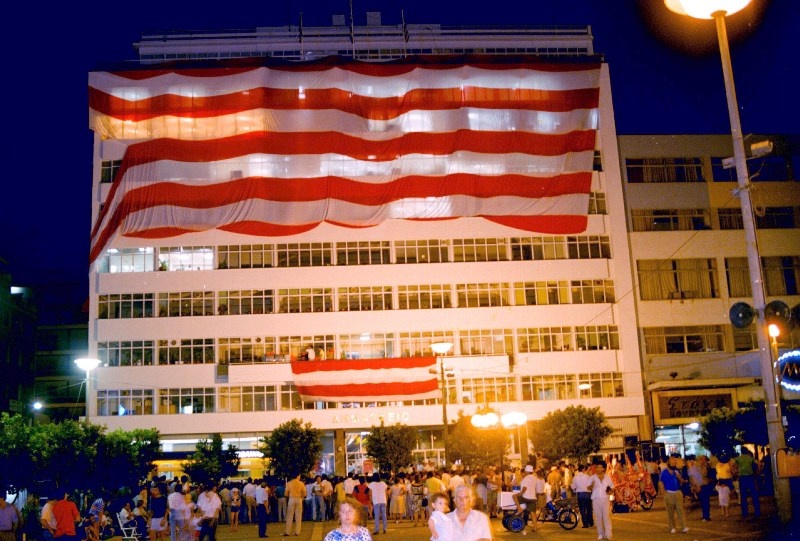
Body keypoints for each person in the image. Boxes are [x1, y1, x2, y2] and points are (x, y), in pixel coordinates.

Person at [659, 453, 688, 534]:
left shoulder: (676, 471)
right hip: (669, 493)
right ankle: (672, 527)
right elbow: (661, 483)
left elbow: (681, 480)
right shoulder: (664, 472)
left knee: (680, 511)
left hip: (677, 493)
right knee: (670, 512)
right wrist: (663, 493)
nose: (674, 464)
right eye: (672, 463)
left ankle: (683, 527)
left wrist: (683, 480)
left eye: (674, 463)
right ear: (668, 462)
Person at [588, 462, 614, 541]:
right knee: (598, 517)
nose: (598, 469)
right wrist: (592, 485)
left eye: (600, 467)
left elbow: (612, 487)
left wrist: (610, 492)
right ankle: (600, 534)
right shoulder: (593, 477)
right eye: (597, 467)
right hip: (596, 499)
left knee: (606, 516)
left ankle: (608, 534)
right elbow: (589, 488)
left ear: (603, 468)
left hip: (605, 498)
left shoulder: (607, 477)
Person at [733, 447, 760, 518]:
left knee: (743, 496)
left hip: (742, 478)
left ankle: (745, 513)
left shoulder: (738, 458)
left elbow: (732, 463)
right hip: (750, 477)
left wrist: (735, 470)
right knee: (754, 494)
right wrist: (757, 470)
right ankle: (757, 512)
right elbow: (757, 463)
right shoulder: (750, 458)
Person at [571, 464, 594, 529]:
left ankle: (585, 524)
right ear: (583, 469)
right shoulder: (587, 477)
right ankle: (591, 522)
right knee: (589, 509)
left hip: (580, 494)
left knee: (582, 510)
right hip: (587, 494)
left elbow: (573, 487)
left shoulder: (575, 477)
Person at [284, 472, 306, 536]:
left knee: (289, 516)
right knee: (298, 516)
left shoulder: (289, 483)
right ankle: (297, 532)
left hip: (291, 499)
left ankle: (287, 532)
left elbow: (285, 494)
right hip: (299, 499)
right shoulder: (301, 483)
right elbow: (304, 494)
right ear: (297, 476)